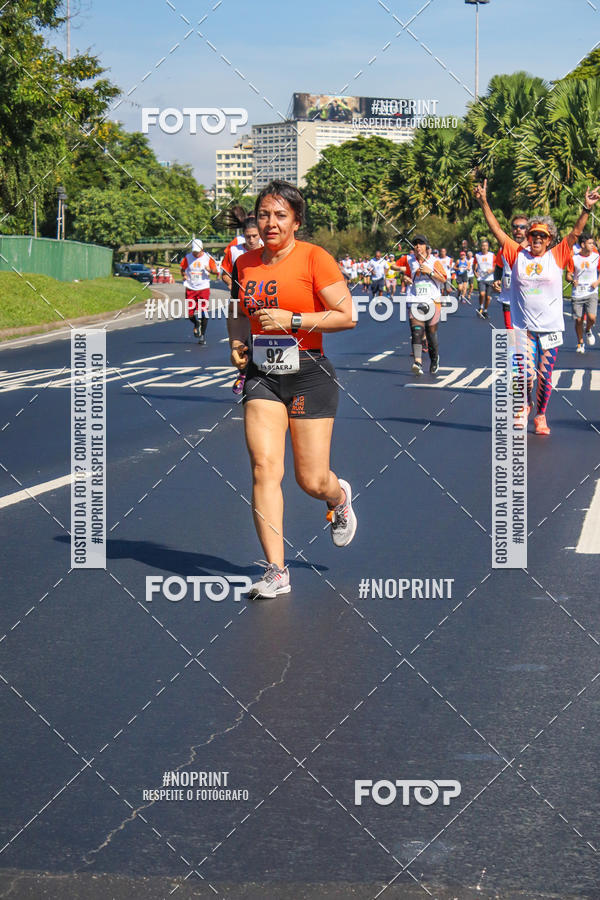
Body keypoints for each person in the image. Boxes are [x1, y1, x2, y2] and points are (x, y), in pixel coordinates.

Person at [227, 180, 357, 598]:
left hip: (308, 372)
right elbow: (235, 311)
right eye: (264, 214)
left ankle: (338, 497)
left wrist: (294, 319)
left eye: (280, 215)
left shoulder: (315, 258)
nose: (270, 222)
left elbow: (346, 315)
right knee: (265, 468)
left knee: (311, 480)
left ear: (296, 221)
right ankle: (276, 571)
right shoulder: (243, 263)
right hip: (263, 375)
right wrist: (236, 342)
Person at [475, 178, 600, 434]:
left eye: (542, 236)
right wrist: (484, 201)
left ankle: (540, 415)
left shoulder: (558, 255)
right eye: (533, 234)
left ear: (550, 238)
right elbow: (497, 230)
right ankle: (524, 406)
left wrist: (586, 209)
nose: (536, 239)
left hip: (551, 328)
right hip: (524, 327)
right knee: (524, 374)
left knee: (544, 377)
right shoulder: (516, 254)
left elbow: (576, 232)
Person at [396, 235, 446, 376]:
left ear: (426, 247)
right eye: (415, 244)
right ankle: (418, 362)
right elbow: (404, 274)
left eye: (421, 244)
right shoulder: (410, 261)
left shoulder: (434, 262)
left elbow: (444, 279)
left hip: (433, 302)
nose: (418, 247)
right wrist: (404, 277)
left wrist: (429, 272)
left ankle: (434, 358)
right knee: (416, 332)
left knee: (431, 334)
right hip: (415, 300)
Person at [493, 214, 530, 328]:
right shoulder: (504, 249)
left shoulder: (534, 250)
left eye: (522, 227)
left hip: (528, 300)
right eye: (515, 227)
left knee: (527, 336)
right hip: (508, 298)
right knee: (512, 335)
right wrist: (497, 280)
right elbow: (499, 266)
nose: (518, 229)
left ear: (528, 230)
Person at [566, 233, 599, 352]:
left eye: (593, 243)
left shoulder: (596, 256)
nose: (592, 245)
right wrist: (572, 280)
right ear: (583, 244)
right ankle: (580, 342)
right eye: (590, 243)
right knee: (579, 320)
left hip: (592, 292)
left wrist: (597, 282)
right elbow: (568, 275)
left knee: (592, 317)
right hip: (578, 293)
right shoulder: (574, 258)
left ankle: (588, 330)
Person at [180, 239, 218, 344]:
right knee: (190, 314)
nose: (195, 253)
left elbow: (216, 271)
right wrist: (184, 275)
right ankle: (196, 324)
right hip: (190, 288)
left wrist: (209, 270)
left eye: (197, 251)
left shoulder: (208, 258)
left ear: (202, 249)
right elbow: (182, 269)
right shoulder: (188, 258)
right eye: (194, 251)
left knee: (203, 312)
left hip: (203, 288)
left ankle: (202, 336)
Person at [474, 239, 495, 318]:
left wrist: (492, 270)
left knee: (488, 297)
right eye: (483, 246)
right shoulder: (477, 255)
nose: (484, 247)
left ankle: (485, 310)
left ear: (488, 247)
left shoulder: (492, 255)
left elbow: (495, 265)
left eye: (486, 246)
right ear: (481, 247)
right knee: (482, 294)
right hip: (481, 278)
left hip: (490, 278)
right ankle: (481, 306)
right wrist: (475, 272)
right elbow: (475, 265)